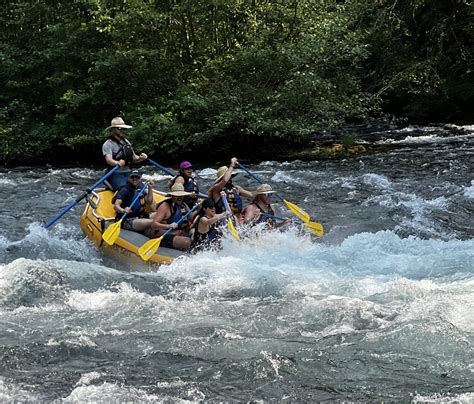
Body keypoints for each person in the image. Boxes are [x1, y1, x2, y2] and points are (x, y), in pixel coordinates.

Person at [102, 117, 148, 190]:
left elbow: (134, 158)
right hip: (115, 174)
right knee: (126, 189)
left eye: (124, 129)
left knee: (144, 189)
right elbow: (109, 160)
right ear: (113, 129)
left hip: (128, 173)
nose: (123, 131)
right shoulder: (108, 144)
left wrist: (141, 158)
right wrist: (117, 163)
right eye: (120, 129)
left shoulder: (126, 142)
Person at [146, 183, 192, 251]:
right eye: (177, 195)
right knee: (187, 242)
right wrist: (169, 226)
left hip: (179, 233)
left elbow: (190, 218)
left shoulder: (184, 205)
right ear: (172, 196)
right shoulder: (165, 206)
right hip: (163, 236)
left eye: (182, 195)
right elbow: (153, 224)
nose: (180, 197)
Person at [207, 157, 254, 224]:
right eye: (229, 176)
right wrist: (232, 165)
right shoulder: (216, 189)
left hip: (238, 219)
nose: (229, 178)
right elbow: (225, 180)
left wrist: (263, 191)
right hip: (225, 220)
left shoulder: (237, 188)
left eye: (231, 177)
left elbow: (251, 194)